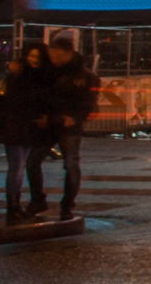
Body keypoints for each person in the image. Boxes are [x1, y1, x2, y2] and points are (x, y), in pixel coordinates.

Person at [41, 33, 102, 220]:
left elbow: (87, 104)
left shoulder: (84, 77)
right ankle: (45, 201)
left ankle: (67, 205)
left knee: (70, 163)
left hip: (67, 124)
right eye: (52, 57)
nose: (54, 60)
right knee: (34, 161)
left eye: (57, 56)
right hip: (52, 122)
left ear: (67, 53)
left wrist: (74, 117)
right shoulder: (51, 72)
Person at [0, 43, 55, 220]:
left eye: (38, 57)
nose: (34, 60)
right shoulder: (18, 74)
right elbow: (17, 100)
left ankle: (14, 205)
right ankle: (13, 206)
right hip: (15, 125)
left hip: (27, 126)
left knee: (20, 165)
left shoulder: (39, 75)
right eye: (32, 56)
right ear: (26, 57)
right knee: (17, 166)